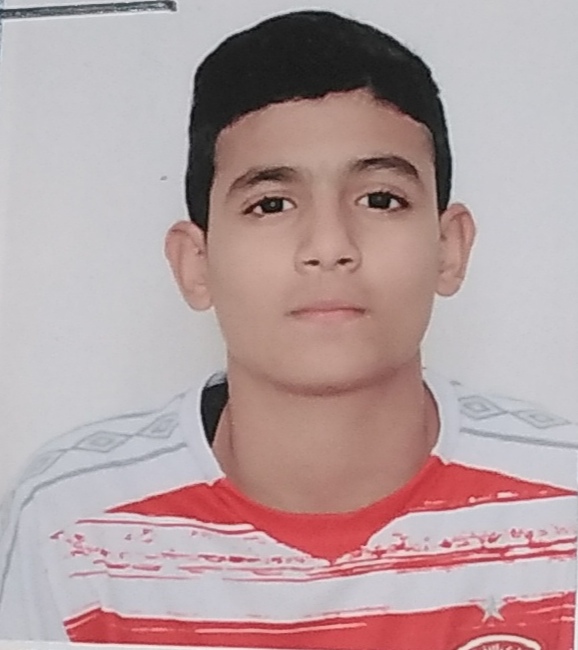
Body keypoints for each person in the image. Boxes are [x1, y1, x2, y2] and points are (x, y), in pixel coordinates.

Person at [0, 9, 576, 650]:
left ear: (449, 248)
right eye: (270, 204)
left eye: (380, 199)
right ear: (196, 264)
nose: (329, 247)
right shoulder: (72, 522)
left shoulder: (564, 506)